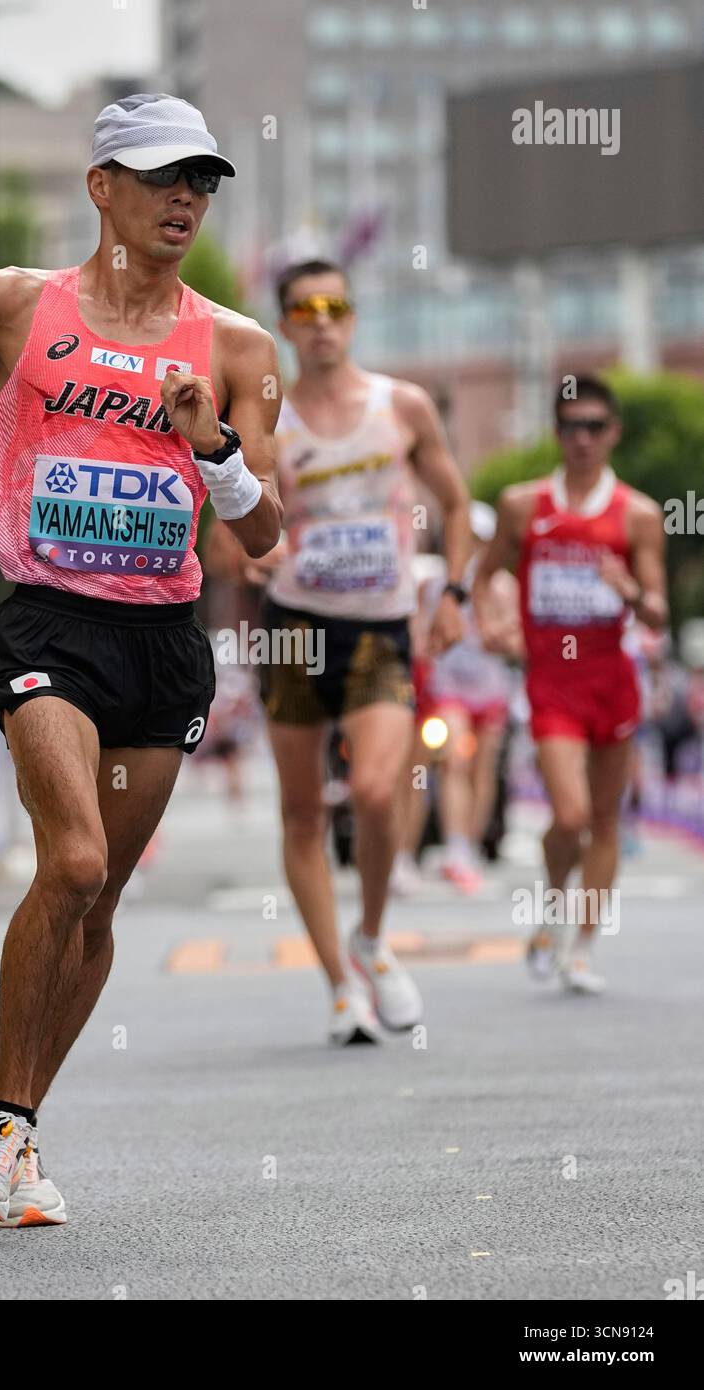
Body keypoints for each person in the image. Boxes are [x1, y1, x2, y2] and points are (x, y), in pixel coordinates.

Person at [0, 94, 282, 1226]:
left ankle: (14, 1137)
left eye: (201, 182)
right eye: (163, 177)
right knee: (68, 861)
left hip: (163, 645)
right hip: (48, 624)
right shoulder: (14, 304)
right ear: (101, 185)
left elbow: (263, 534)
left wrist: (210, 445)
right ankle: (1, 1124)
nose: (184, 201)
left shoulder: (237, 347)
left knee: (99, 898)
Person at [261, 259, 470, 1044]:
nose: (321, 320)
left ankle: (373, 938)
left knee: (380, 791)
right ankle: (339, 988)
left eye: (335, 305)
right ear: (284, 324)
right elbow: (231, 532)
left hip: (380, 627)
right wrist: (254, 552)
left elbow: (454, 504)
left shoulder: (402, 406)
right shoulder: (271, 422)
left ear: (352, 315)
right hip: (294, 627)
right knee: (303, 810)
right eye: (304, 309)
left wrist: (451, 594)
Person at [473, 375, 667, 994]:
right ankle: (556, 902)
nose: (582, 439)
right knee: (572, 813)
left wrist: (631, 591)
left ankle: (581, 948)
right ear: (556, 433)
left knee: (605, 822)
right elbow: (481, 577)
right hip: (552, 685)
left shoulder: (637, 515)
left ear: (613, 433)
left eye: (594, 427)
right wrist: (494, 621)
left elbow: (661, 610)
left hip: (613, 682)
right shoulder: (522, 505)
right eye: (571, 427)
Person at [417, 502, 519, 892]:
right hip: (450, 691)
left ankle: (471, 846)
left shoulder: (504, 586)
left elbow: (520, 642)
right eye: (466, 537)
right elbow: (423, 636)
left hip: (491, 690)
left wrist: (499, 638)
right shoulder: (434, 583)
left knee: (483, 770)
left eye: (479, 540)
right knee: (455, 761)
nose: (471, 546)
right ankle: (456, 848)